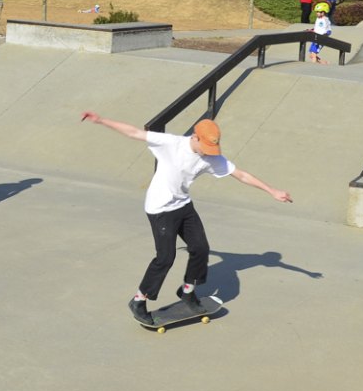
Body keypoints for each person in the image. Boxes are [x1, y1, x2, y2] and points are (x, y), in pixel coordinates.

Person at [79, 114, 292, 324]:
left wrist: (271, 190)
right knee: (165, 258)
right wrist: (101, 121)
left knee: (200, 248)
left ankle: (187, 291)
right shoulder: (170, 144)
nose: (207, 155)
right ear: (195, 137)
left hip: (183, 205)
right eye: (205, 148)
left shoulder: (211, 158)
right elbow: (134, 132)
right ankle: (138, 300)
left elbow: (241, 174)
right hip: (160, 208)